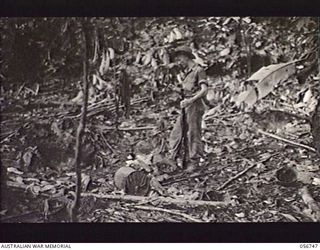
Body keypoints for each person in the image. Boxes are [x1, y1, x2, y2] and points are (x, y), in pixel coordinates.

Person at [169, 45, 208, 172]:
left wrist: (190, 100)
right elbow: (187, 89)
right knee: (177, 132)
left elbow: (204, 90)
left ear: (186, 57)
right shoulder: (187, 73)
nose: (180, 61)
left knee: (193, 132)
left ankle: (194, 161)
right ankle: (174, 159)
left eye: (180, 58)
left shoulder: (198, 70)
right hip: (186, 106)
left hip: (195, 105)